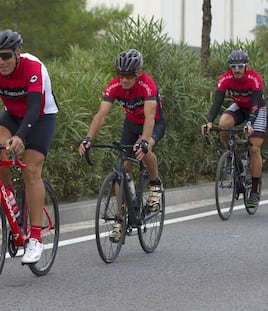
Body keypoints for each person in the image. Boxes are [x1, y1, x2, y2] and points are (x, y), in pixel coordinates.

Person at [79, 49, 166, 242]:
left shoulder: (147, 84)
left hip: (154, 123)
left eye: (128, 76)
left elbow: (150, 116)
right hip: (131, 124)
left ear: (137, 73)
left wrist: (144, 141)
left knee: (145, 149)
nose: (124, 80)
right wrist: (88, 138)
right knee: (122, 169)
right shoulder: (114, 86)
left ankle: (155, 184)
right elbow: (101, 115)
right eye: (120, 75)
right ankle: (121, 217)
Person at [0, 29, 58, 263]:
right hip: (12, 114)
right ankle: (10, 198)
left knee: (31, 170)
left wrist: (22, 136)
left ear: (17, 53)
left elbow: (34, 108)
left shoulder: (33, 67)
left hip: (41, 117)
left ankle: (35, 238)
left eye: (5, 56)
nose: (1, 62)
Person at [201, 49, 267, 209]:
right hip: (239, 106)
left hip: (256, 108)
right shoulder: (225, 79)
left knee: (255, 148)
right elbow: (217, 101)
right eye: (233, 66)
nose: (236, 69)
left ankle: (255, 190)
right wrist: (209, 122)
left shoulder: (254, 78)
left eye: (240, 66)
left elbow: (255, 104)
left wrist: (250, 123)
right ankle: (234, 155)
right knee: (223, 124)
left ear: (246, 66)